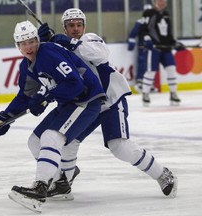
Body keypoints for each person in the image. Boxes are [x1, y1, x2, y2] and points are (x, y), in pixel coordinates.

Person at [38, 8, 178, 200]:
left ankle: (162, 173)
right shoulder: (62, 49)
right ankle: (65, 182)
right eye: (71, 26)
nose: (76, 29)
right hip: (88, 103)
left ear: (84, 26)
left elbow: (100, 55)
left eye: (79, 25)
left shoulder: (90, 39)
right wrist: (44, 43)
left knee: (119, 146)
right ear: (65, 27)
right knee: (69, 142)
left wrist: (68, 42)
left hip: (111, 100)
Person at [0, 20, 105, 213]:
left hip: (86, 100)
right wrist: (3, 118)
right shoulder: (26, 67)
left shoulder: (48, 53)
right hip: (69, 103)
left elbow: (75, 83)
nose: (28, 47)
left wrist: (46, 96)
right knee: (35, 141)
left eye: (31, 41)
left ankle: (41, 187)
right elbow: (25, 96)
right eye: (23, 43)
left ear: (37, 40)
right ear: (18, 46)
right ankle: (60, 184)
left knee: (51, 136)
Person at [138, 0, 184, 106]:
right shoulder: (148, 13)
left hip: (166, 49)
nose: (162, 3)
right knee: (151, 71)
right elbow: (143, 30)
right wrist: (147, 38)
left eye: (164, 1)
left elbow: (168, 34)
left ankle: (173, 93)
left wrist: (175, 43)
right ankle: (145, 93)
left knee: (171, 69)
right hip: (154, 49)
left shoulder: (166, 14)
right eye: (160, 1)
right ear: (155, 2)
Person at [127, 4, 156, 93]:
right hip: (143, 47)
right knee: (143, 64)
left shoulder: (155, 22)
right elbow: (133, 33)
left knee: (151, 66)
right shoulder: (140, 22)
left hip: (152, 48)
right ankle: (140, 81)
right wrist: (131, 40)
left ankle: (149, 83)